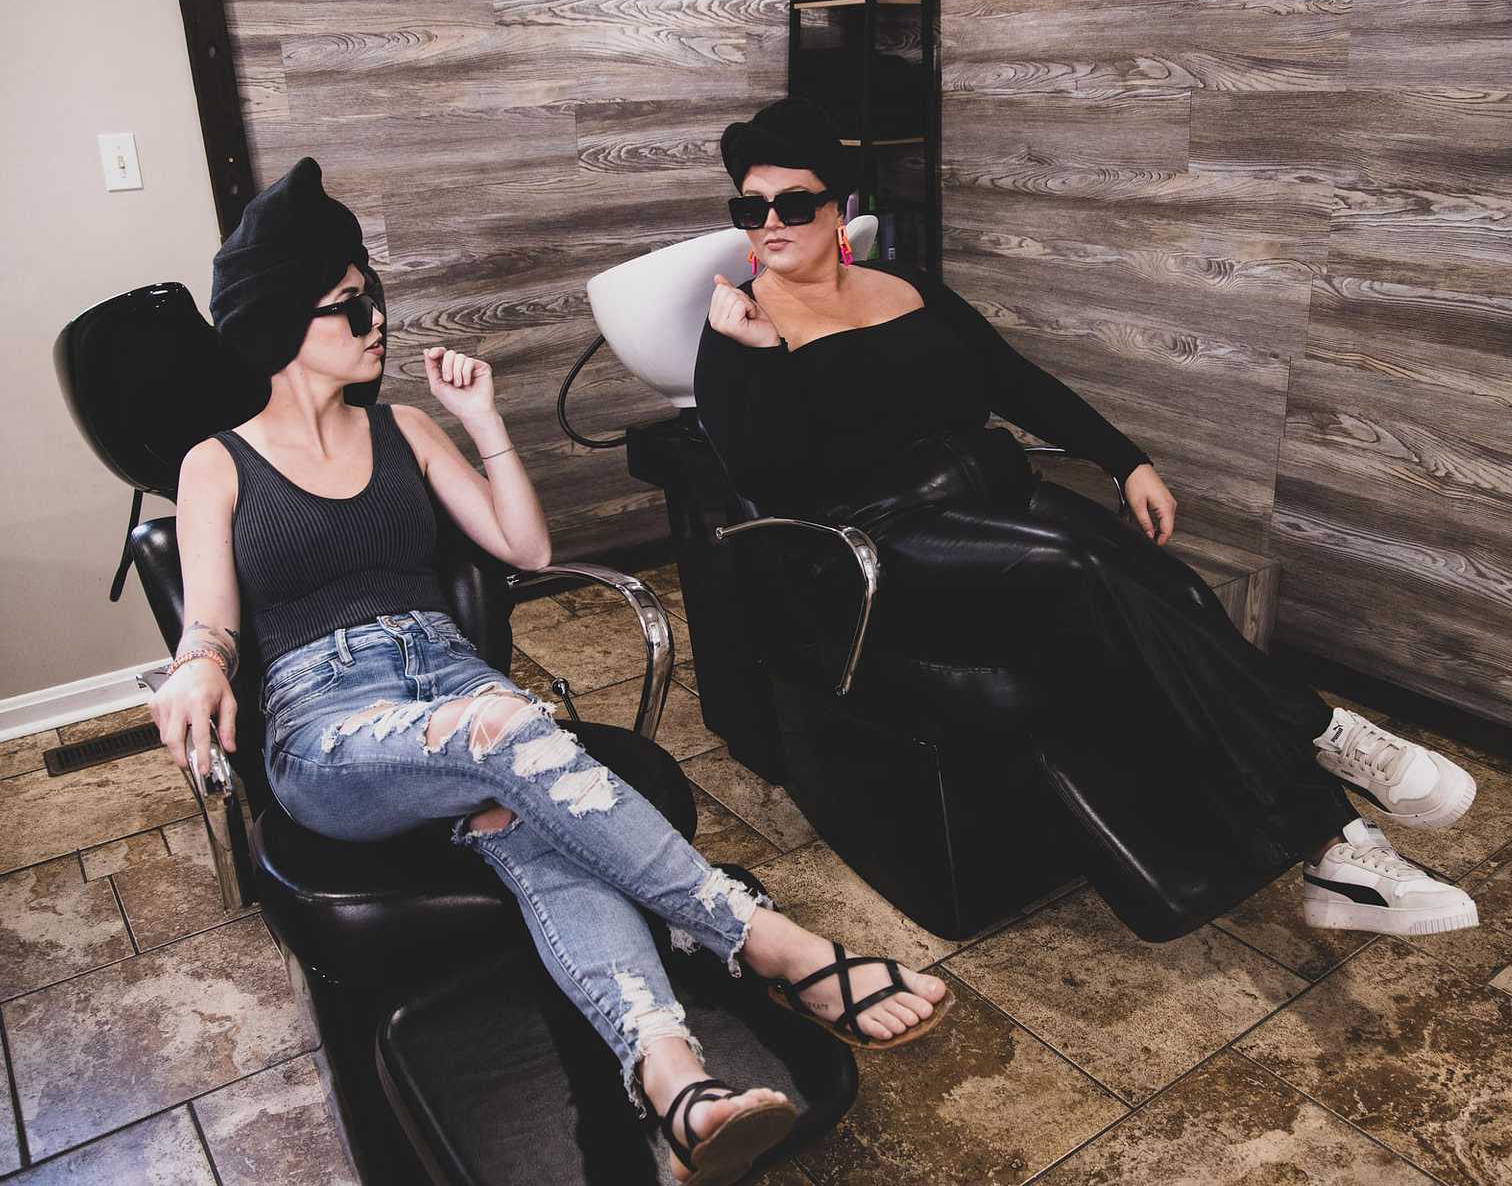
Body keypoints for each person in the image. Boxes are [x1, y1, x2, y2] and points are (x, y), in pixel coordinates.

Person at [147, 157, 950, 1185]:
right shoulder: (218, 460)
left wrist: (484, 423)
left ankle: (676, 1082)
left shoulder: (406, 428)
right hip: (332, 726)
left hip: (454, 686)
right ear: (279, 327)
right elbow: (210, 622)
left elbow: (523, 549)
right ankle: (764, 938)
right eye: (352, 308)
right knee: (506, 732)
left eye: (374, 297)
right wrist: (193, 667)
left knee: (532, 815)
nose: (378, 321)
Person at [696, 99, 1482, 938]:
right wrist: (760, 358)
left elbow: (1014, 381)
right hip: (884, 542)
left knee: (1174, 597)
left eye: (794, 203)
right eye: (752, 207)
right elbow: (764, 480)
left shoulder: (907, 289)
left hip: (995, 503)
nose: (771, 223)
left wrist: (1125, 458)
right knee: (1081, 568)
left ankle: (1337, 848)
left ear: (839, 208)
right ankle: (1321, 729)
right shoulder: (742, 329)